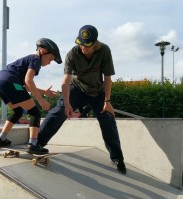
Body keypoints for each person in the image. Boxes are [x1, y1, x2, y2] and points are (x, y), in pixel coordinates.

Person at [38, 25, 126, 174]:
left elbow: (108, 78)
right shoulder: (73, 53)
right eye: (80, 43)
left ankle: (117, 158)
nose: (83, 48)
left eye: (87, 45)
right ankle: (37, 143)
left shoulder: (104, 51)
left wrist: (107, 101)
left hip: (97, 91)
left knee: (108, 120)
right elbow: (65, 80)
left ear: (95, 44)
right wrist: (66, 104)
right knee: (58, 111)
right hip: (77, 88)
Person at [0, 38, 62, 154]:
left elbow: (26, 85)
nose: (49, 63)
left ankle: (1, 139)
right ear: (43, 51)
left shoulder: (28, 60)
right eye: (50, 59)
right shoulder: (35, 59)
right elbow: (29, 81)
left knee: (18, 111)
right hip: (10, 82)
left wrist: (43, 92)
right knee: (35, 113)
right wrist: (41, 99)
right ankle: (33, 144)